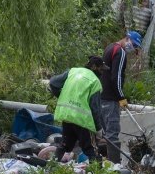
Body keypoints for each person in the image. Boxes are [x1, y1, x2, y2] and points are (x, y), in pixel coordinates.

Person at [52, 56, 108, 163]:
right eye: (101, 69)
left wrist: (62, 96)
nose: (102, 73)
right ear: (94, 67)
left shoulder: (72, 72)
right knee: (92, 149)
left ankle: (50, 167)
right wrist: (99, 128)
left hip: (67, 115)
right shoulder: (95, 81)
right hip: (83, 120)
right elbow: (95, 108)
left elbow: (53, 83)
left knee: (65, 144)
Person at [100, 30, 142, 164]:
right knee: (112, 133)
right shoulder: (120, 52)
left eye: (135, 47)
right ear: (127, 39)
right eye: (134, 45)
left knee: (106, 133)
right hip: (111, 98)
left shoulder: (109, 48)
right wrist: (121, 97)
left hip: (101, 96)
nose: (133, 48)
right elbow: (116, 77)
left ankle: (105, 163)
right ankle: (114, 167)